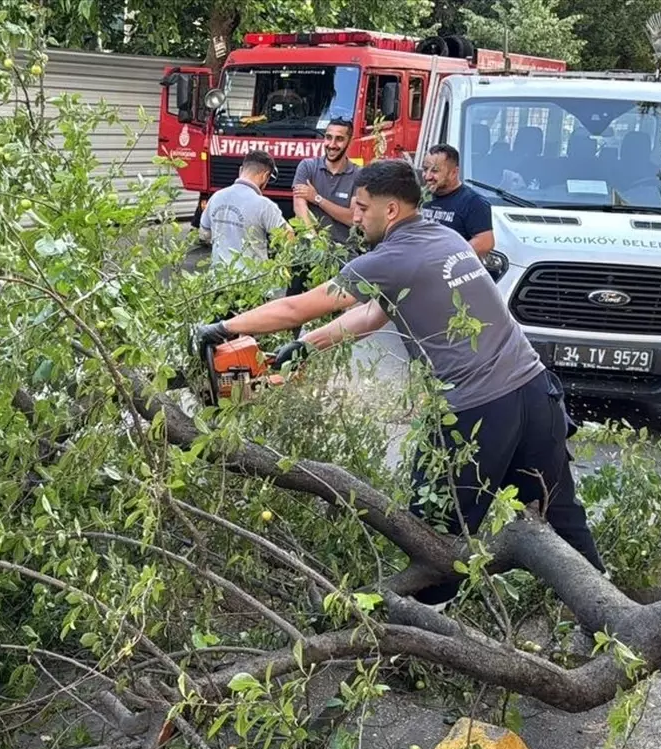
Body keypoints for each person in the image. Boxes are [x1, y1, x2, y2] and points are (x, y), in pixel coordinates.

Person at [193, 160, 605, 606]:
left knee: (432, 539)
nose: (354, 215)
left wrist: (225, 327)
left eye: (361, 206)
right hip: (535, 393)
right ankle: (609, 618)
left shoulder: (393, 256)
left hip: (479, 411)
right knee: (560, 517)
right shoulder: (442, 238)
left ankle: (422, 636)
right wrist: (309, 346)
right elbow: (374, 313)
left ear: (390, 211)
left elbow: (298, 307)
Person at [287, 119, 361, 297]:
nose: (332, 144)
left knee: (333, 317)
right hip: (306, 253)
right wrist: (314, 240)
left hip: (341, 256)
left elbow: (352, 218)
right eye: (328, 137)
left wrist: (317, 198)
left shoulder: (359, 175)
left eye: (339, 139)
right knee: (293, 311)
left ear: (349, 141)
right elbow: (299, 206)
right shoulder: (307, 167)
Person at [199, 150, 291, 269]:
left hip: (219, 280)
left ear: (241, 170)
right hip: (253, 284)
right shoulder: (264, 205)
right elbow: (288, 235)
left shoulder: (216, 197)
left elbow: (204, 234)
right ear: (265, 175)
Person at [420, 144, 495, 262]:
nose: (427, 176)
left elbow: (485, 242)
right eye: (425, 169)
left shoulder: (473, 202)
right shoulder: (421, 197)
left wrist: (448, 258)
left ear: (454, 172)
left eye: (435, 171)